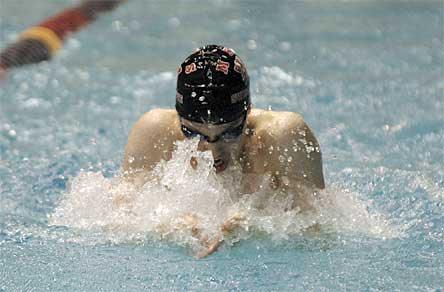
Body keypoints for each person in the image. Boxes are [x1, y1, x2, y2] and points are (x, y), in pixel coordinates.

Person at [121, 45, 325, 257]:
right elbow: (117, 215)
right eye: (193, 133)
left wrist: (255, 226)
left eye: (229, 133)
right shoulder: (154, 132)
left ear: (249, 111)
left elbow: (322, 230)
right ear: (178, 117)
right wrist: (169, 225)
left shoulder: (283, 136)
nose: (212, 151)